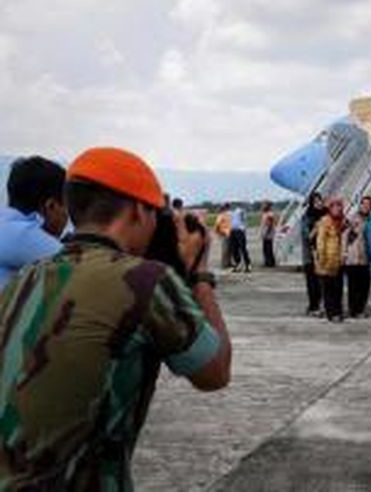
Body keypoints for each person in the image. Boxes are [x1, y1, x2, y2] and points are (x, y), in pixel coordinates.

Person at [0, 147, 231, 489]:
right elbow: (214, 372)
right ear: (139, 211)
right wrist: (199, 274)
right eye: (155, 213)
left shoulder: (25, 277)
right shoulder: (145, 281)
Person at [0, 156, 68, 291]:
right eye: (66, 208)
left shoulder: (6, 224)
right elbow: (80, 269)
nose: (67, 216)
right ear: (51, 206)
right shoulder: (21, 235)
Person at [315, 197, 346, 322]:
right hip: (327, 260)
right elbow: (320, 241)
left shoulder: (342, 221)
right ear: (330, 208)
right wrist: (322, 259)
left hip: (339, 260)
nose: (338, 208)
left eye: (340, 206)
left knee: (338, 288)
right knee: (328, 290)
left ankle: (338, 311)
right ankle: (331, 313)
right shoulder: (325, 221)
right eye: (335, 206)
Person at [342, 196, 371, 318]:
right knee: (353, 286)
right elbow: (344, 236)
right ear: (360, 205)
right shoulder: (352, 219)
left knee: (365, 285)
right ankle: (354, 310)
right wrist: (344, 253)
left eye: (368, 205)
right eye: (364, 204)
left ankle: (360, 308)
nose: (366, 206)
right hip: (352, 257)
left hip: (365, 258)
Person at [301, 192, 325, 316]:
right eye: (316, 201)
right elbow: (307, 236)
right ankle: (313, 306)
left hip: (325, 255)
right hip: (311, 256)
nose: (319, 203)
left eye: (320, 200)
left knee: (324, 283)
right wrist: (317, 227)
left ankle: (322, 305)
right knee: (313, 283)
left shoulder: (327, 214)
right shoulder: (307, 217)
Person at [229, 204, 252, 272]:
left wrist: (244, 228)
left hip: (239, 230)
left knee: (242, 248)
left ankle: (247, 264)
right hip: (233, 230)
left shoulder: (241, 211)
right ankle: (237, 263)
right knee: (234, 248)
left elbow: (244, 220)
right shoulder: (231, 212)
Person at [214, 203, 233, 269]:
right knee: (225, 249)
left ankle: (229, 262)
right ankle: (224, 264)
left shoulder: (228, 215)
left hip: (229, 233)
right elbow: (217, 225)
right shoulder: (221, 215)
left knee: (229, 249)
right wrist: (219, 233)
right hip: (225, 233)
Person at [260, 201, 277, 267]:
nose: (262, 206)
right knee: (266, 248)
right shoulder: (265, 213)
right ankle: (268, 261)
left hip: (268, 234)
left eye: (264, 205)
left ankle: (270, 262)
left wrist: (266, 233)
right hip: (266, 233)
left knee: (268, 248)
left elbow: (269, 224)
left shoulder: (270, 214)